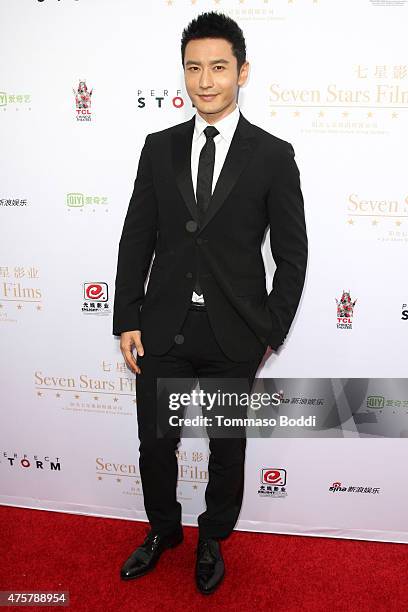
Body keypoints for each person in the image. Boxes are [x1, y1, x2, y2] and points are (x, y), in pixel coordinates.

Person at [112, 11, 308, 595]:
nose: (205, 80)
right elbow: (136, 238)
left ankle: (212, 537)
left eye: (218, 67)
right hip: (162, 327)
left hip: (233, 334)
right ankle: (163, 530)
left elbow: (292, 255)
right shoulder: (159, 147)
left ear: (241, 72)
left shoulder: (273, 155)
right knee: (156, 441)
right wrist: (126, 317)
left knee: (227, 448)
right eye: (193, 68)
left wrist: (269, 329)